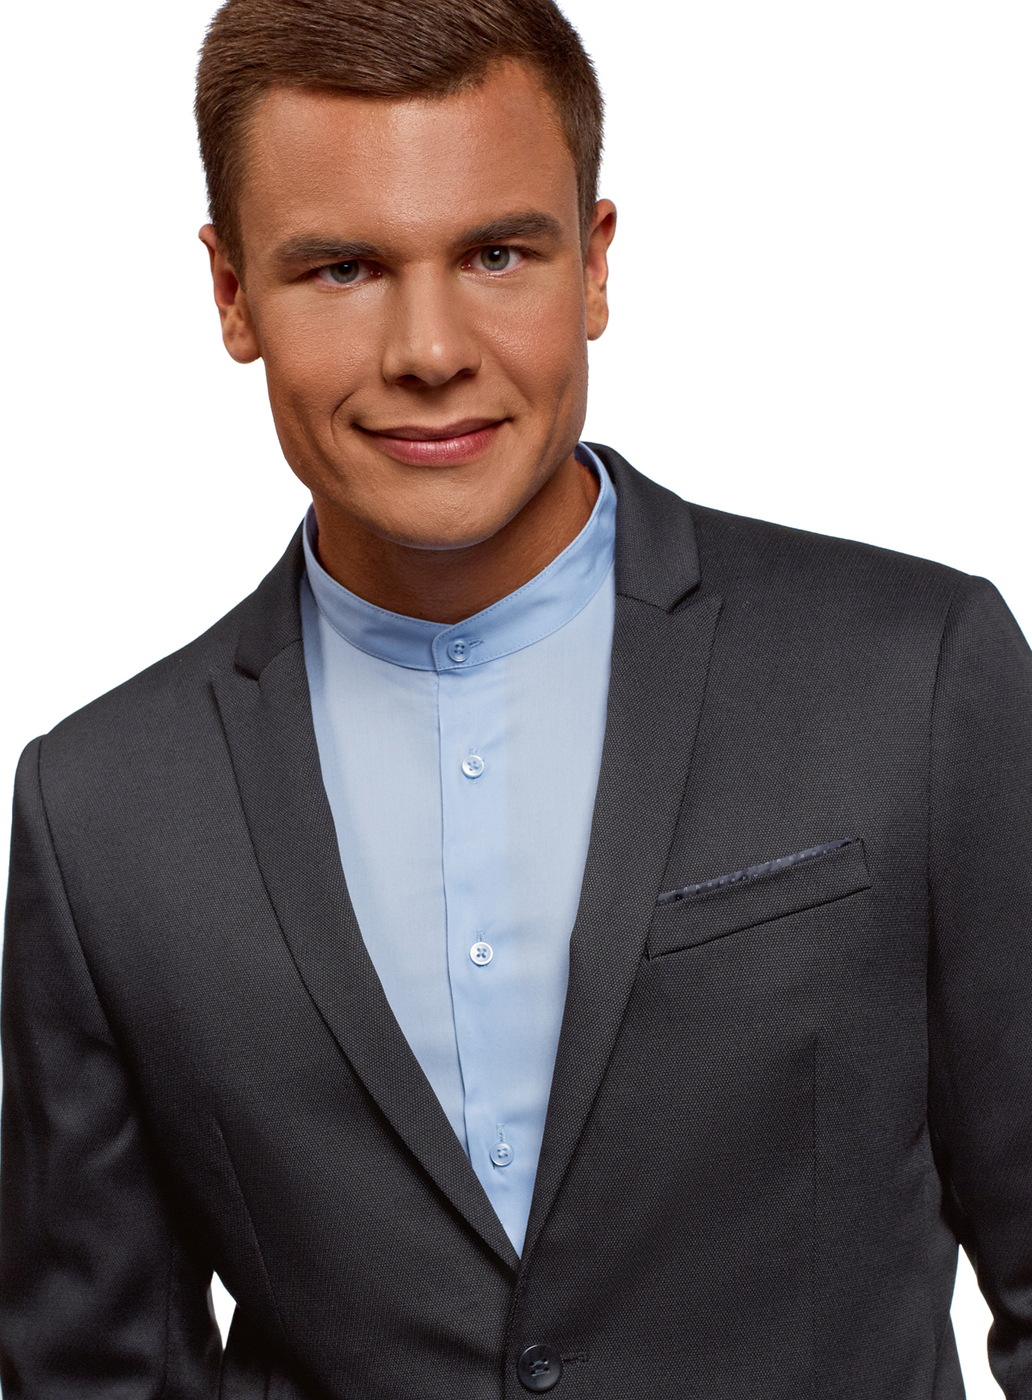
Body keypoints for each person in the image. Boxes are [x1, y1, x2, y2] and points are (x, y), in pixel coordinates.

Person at [2, 0, 1030, 1396]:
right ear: (232, 295)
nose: (430, 350)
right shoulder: (101, 810)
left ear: (595, 264)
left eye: (496, 253)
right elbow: (91, 1372)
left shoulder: (916, 674)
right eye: (344, 268)